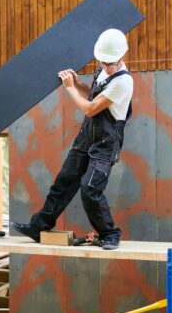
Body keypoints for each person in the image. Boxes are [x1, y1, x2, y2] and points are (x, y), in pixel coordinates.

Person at [12, 28, 134, 250]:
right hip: (86, 137)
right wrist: (78, 83)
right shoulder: (104, 69)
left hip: (105, 144)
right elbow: (93, 94)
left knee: (90, 189)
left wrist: (69, 88)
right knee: (64, 182)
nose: (105, 67)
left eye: (110, 63)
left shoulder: (124, 82)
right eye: (103, 62)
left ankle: (109, 234)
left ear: (121, 57)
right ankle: (39, 226)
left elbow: (90, 108)